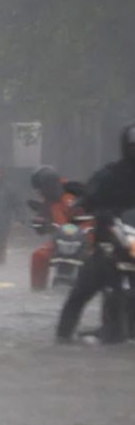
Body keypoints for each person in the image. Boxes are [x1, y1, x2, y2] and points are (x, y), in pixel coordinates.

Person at [56, 123, 135, 342]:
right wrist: (84, 203)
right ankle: (62, 338)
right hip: (110, 243)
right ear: (126, 147)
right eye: (134, 146)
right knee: (80, 292)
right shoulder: (110, 174)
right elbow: (89, 195)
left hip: (133, 241)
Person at [29, 166, 76, 290]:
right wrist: (39, 224)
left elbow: (90, 216)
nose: (40, 192)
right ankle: (38, 289)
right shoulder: (48, 201)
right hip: (59, 241)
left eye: (41, 189)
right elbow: (42, 220)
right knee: (38, 256)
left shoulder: (75, 193)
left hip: (84, 241)